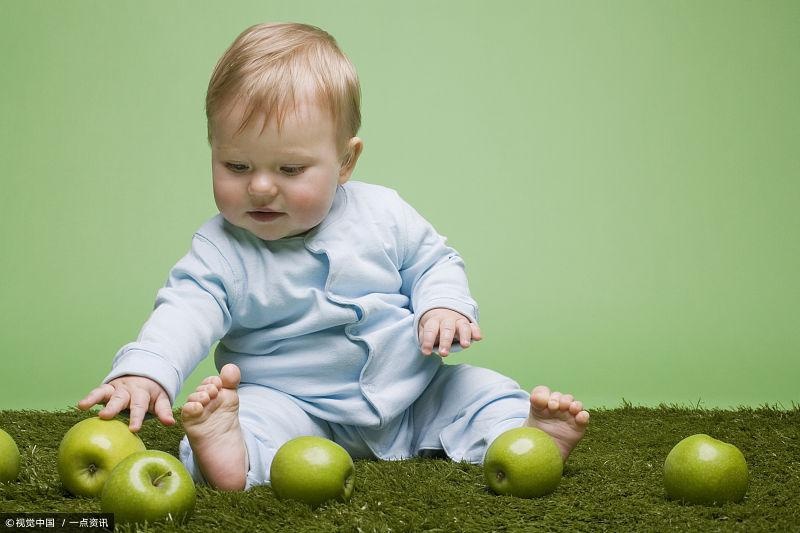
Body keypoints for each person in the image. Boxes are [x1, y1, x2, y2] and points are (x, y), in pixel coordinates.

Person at [79, 22, 589, 491]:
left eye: (290, 169)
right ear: (212, 148)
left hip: (411, 393)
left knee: (482, 391)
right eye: (235, 165)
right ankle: (229, 454)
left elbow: (433, 262)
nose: (259, 187)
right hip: (292, 407)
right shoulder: (222, 251)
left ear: (345, 160)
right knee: (243, 423)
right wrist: (148, 369)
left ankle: (526, 435)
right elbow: (185, 310)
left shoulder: (383, 212)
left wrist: (443, 305)